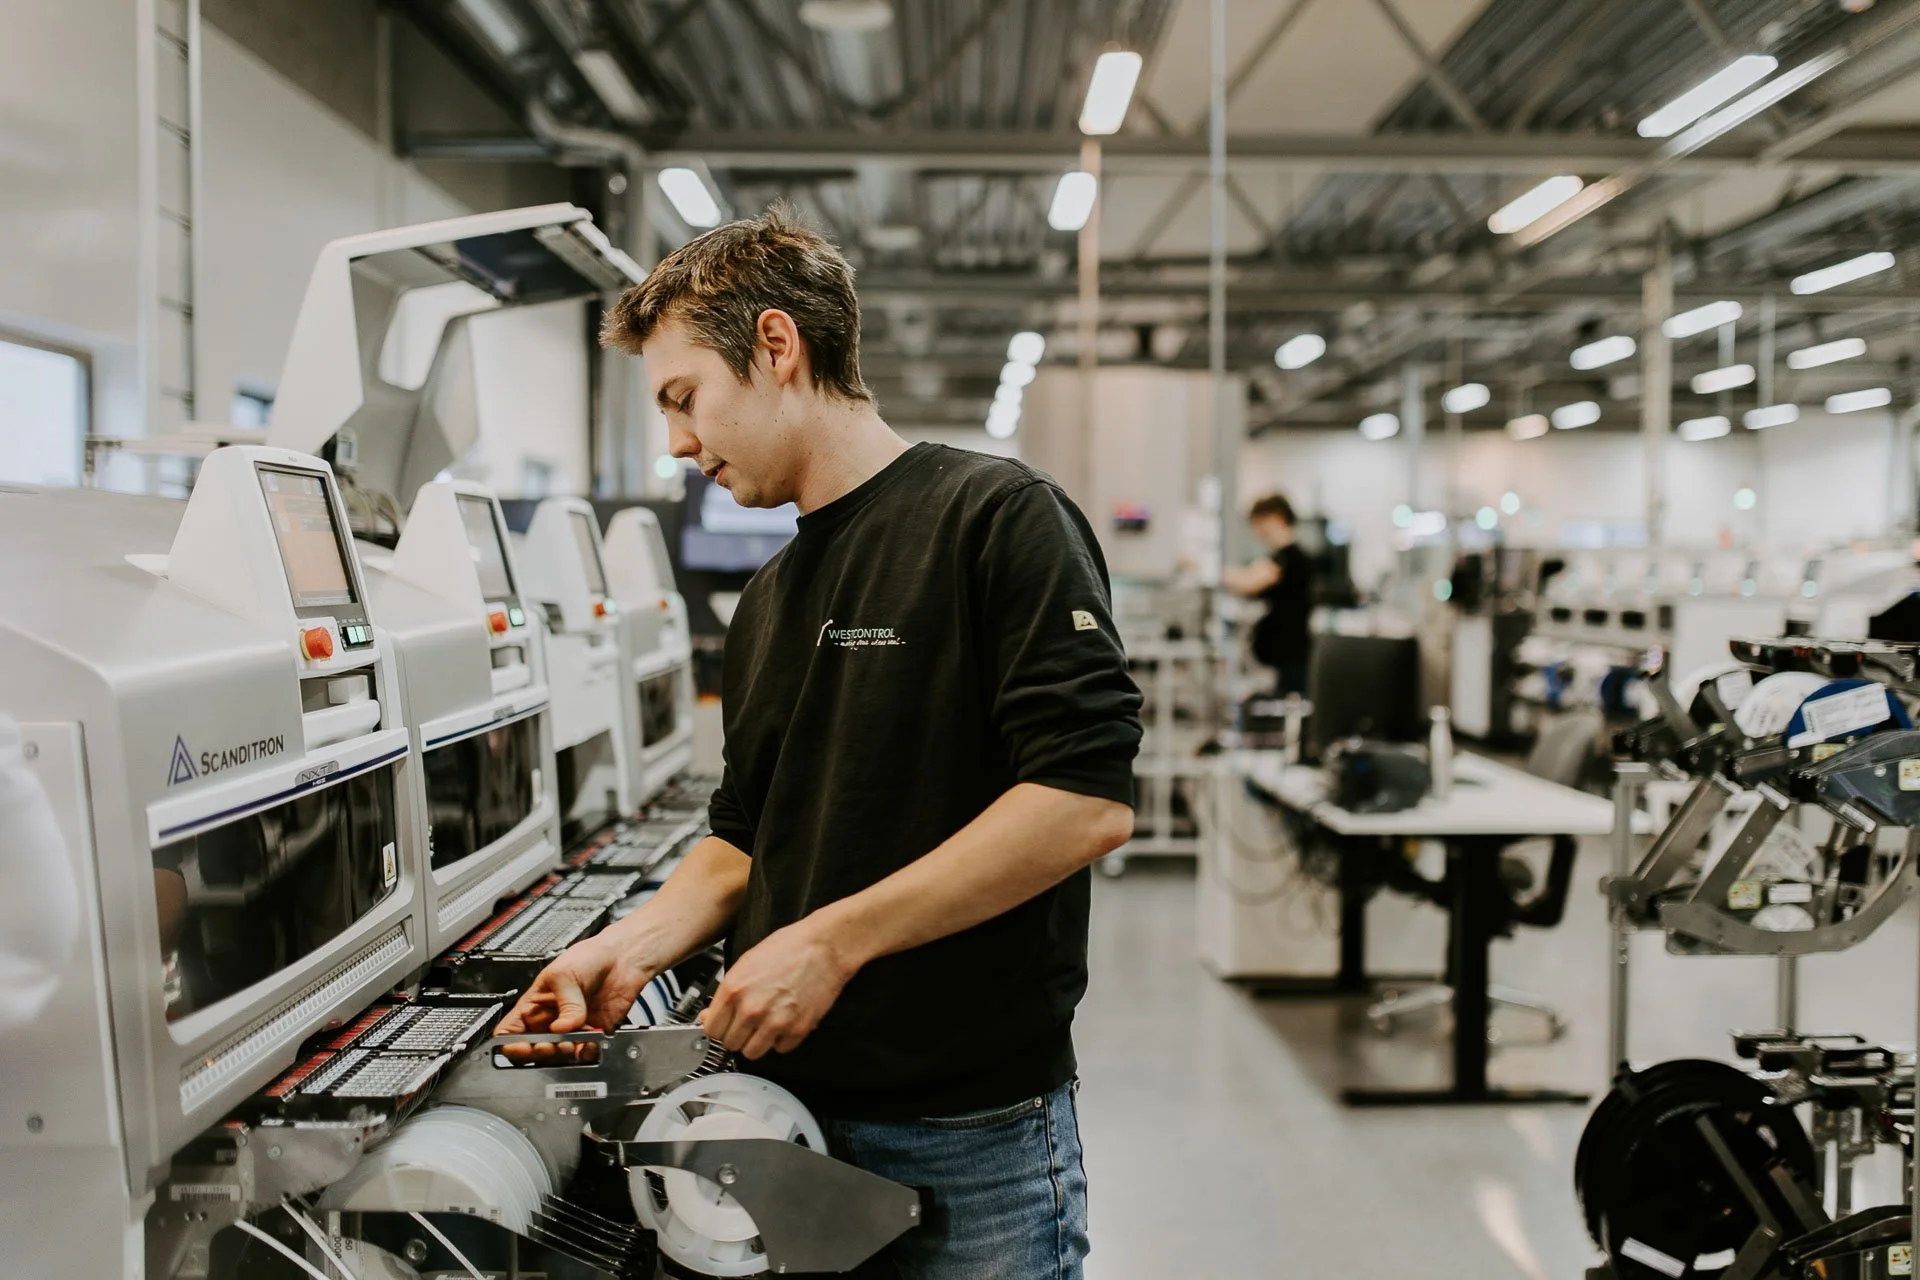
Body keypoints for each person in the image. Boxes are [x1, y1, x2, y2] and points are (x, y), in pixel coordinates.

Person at [498, 206, 1142, 1279]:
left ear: (777, 347)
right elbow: (746, 835)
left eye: (683, 397)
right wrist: (628, 949)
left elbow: (1083, 799)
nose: (678, 443)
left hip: (967, 1134)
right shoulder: (768, 598)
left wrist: (830, 940)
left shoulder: (995, 518)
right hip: (783, 1123)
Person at [1224, 493, 1315, 695]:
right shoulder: (1278, 558)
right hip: (1283, 655)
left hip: (1291, 653)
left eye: (1260, 522)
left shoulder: (1290, 558)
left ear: (1278, 518)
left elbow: (1248, 582)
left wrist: (1210, 569)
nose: (1257, 530)